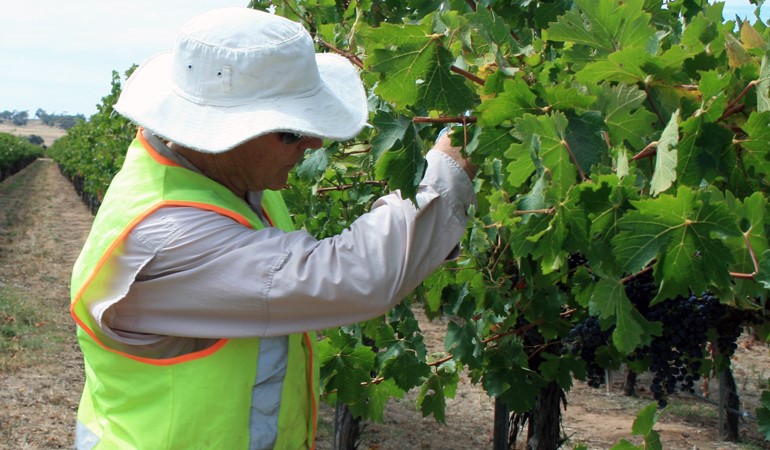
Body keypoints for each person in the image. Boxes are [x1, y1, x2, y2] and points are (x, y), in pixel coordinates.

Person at [70, 7, 476, 450]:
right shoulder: (170, 234)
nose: (315, 142)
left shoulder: (226, 183)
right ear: (222, 132)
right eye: (290, 131)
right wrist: (446, 172)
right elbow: (353, 277)